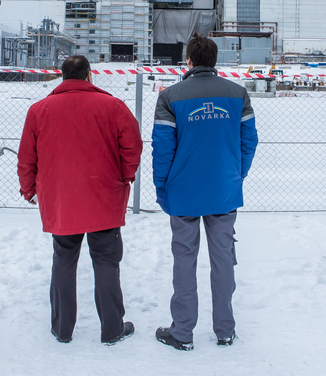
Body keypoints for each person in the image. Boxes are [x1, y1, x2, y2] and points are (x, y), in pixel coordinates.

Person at [17, 55, 142, 345]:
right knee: (106, 262)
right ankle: (112, 329)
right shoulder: (113, 106)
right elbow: (132, 146)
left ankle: (62, 328)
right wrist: (124, 176)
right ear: (89, 76)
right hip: (104, 196)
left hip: (61, 199)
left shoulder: (39, 110)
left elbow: (27, 157)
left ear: (63, 77)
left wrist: (28, 189)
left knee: (63, 260)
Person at [151, 33, 258, 351]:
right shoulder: (238, 94)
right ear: (214, 61)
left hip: (183, 192)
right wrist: (236, 176)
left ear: (189, 61)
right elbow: (249, 142)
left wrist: (162, 186)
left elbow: (162, 149)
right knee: (223, 258)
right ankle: (225, 329)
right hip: (223, 190)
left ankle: (182, 331)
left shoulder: (170, 96)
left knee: (184, 259)